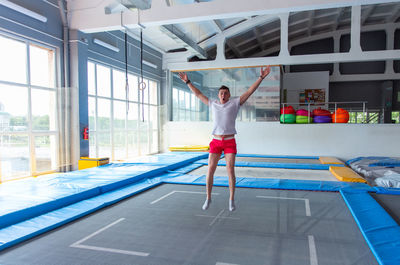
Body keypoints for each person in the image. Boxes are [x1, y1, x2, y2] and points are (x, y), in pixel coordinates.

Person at [178, 66, 271, 211]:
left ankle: (231, 199)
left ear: (229, 96)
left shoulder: (235, 103)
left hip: (229, 142)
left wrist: (261, 77)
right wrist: (187, 82)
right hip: (215, 141)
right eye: (221, 93)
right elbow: (198, 94)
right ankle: (208, 198)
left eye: (226, 93)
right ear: (218, 95)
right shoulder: (213, 104)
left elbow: (249, 91)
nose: (223, 95)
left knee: (230, 169)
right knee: (210, 170)